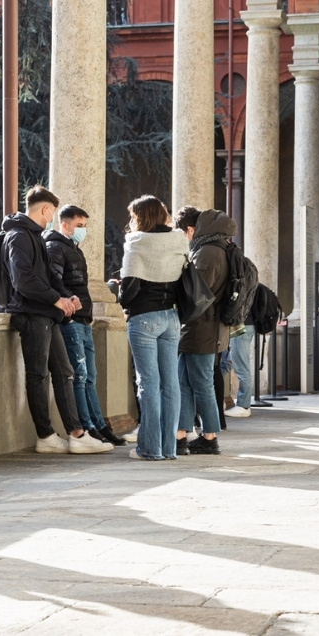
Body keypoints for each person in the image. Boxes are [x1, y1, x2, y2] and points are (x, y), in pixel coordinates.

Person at [2, 186, 113, 454]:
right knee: (38, 376)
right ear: (46, 209)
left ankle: (76, 433)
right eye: (52, 212)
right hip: (31, 314)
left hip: (46, 314)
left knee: (64, 372)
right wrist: (57, 299)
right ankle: (46, 435)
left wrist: (67, 297)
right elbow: (23, 280)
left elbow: (48, 277)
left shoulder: (34, 236)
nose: (51, 217)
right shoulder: (18, 236)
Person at [112, 195, 189, 460]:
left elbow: (130, 290)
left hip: (144, 318)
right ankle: (169, 449)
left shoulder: (137, 242)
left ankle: (149, 448)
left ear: (142, 217)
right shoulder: (179, 239)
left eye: (134, 216)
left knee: (148, 383)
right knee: (171, 384)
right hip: (172, 318)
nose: (131, 221)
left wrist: (120, 289)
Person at [45, 205, 125, 446]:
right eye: (79, 226)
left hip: (83, 319)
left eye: (85, 226)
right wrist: (69, 304)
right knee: (80, 376)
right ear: (65, 225)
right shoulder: (55, 247)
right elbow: (55, 281)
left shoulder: (73, 248)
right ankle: (89, 427)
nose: (83, 231)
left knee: (90, 376)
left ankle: (99, 425)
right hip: (71, 320)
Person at [173, 206, 235, 455]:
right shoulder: (218, 248)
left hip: (201, 327)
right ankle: (181, 435)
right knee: (186, 382)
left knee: (200, 382)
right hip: (206, 327)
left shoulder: (208, 252)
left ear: (191, 230)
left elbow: (196, 294)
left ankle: (209, 438)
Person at [226, 314, 254, 418]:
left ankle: (244, 406)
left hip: (240, 326)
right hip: (243, 325)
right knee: (227, 362)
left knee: (241, 367)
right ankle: (217, 400)